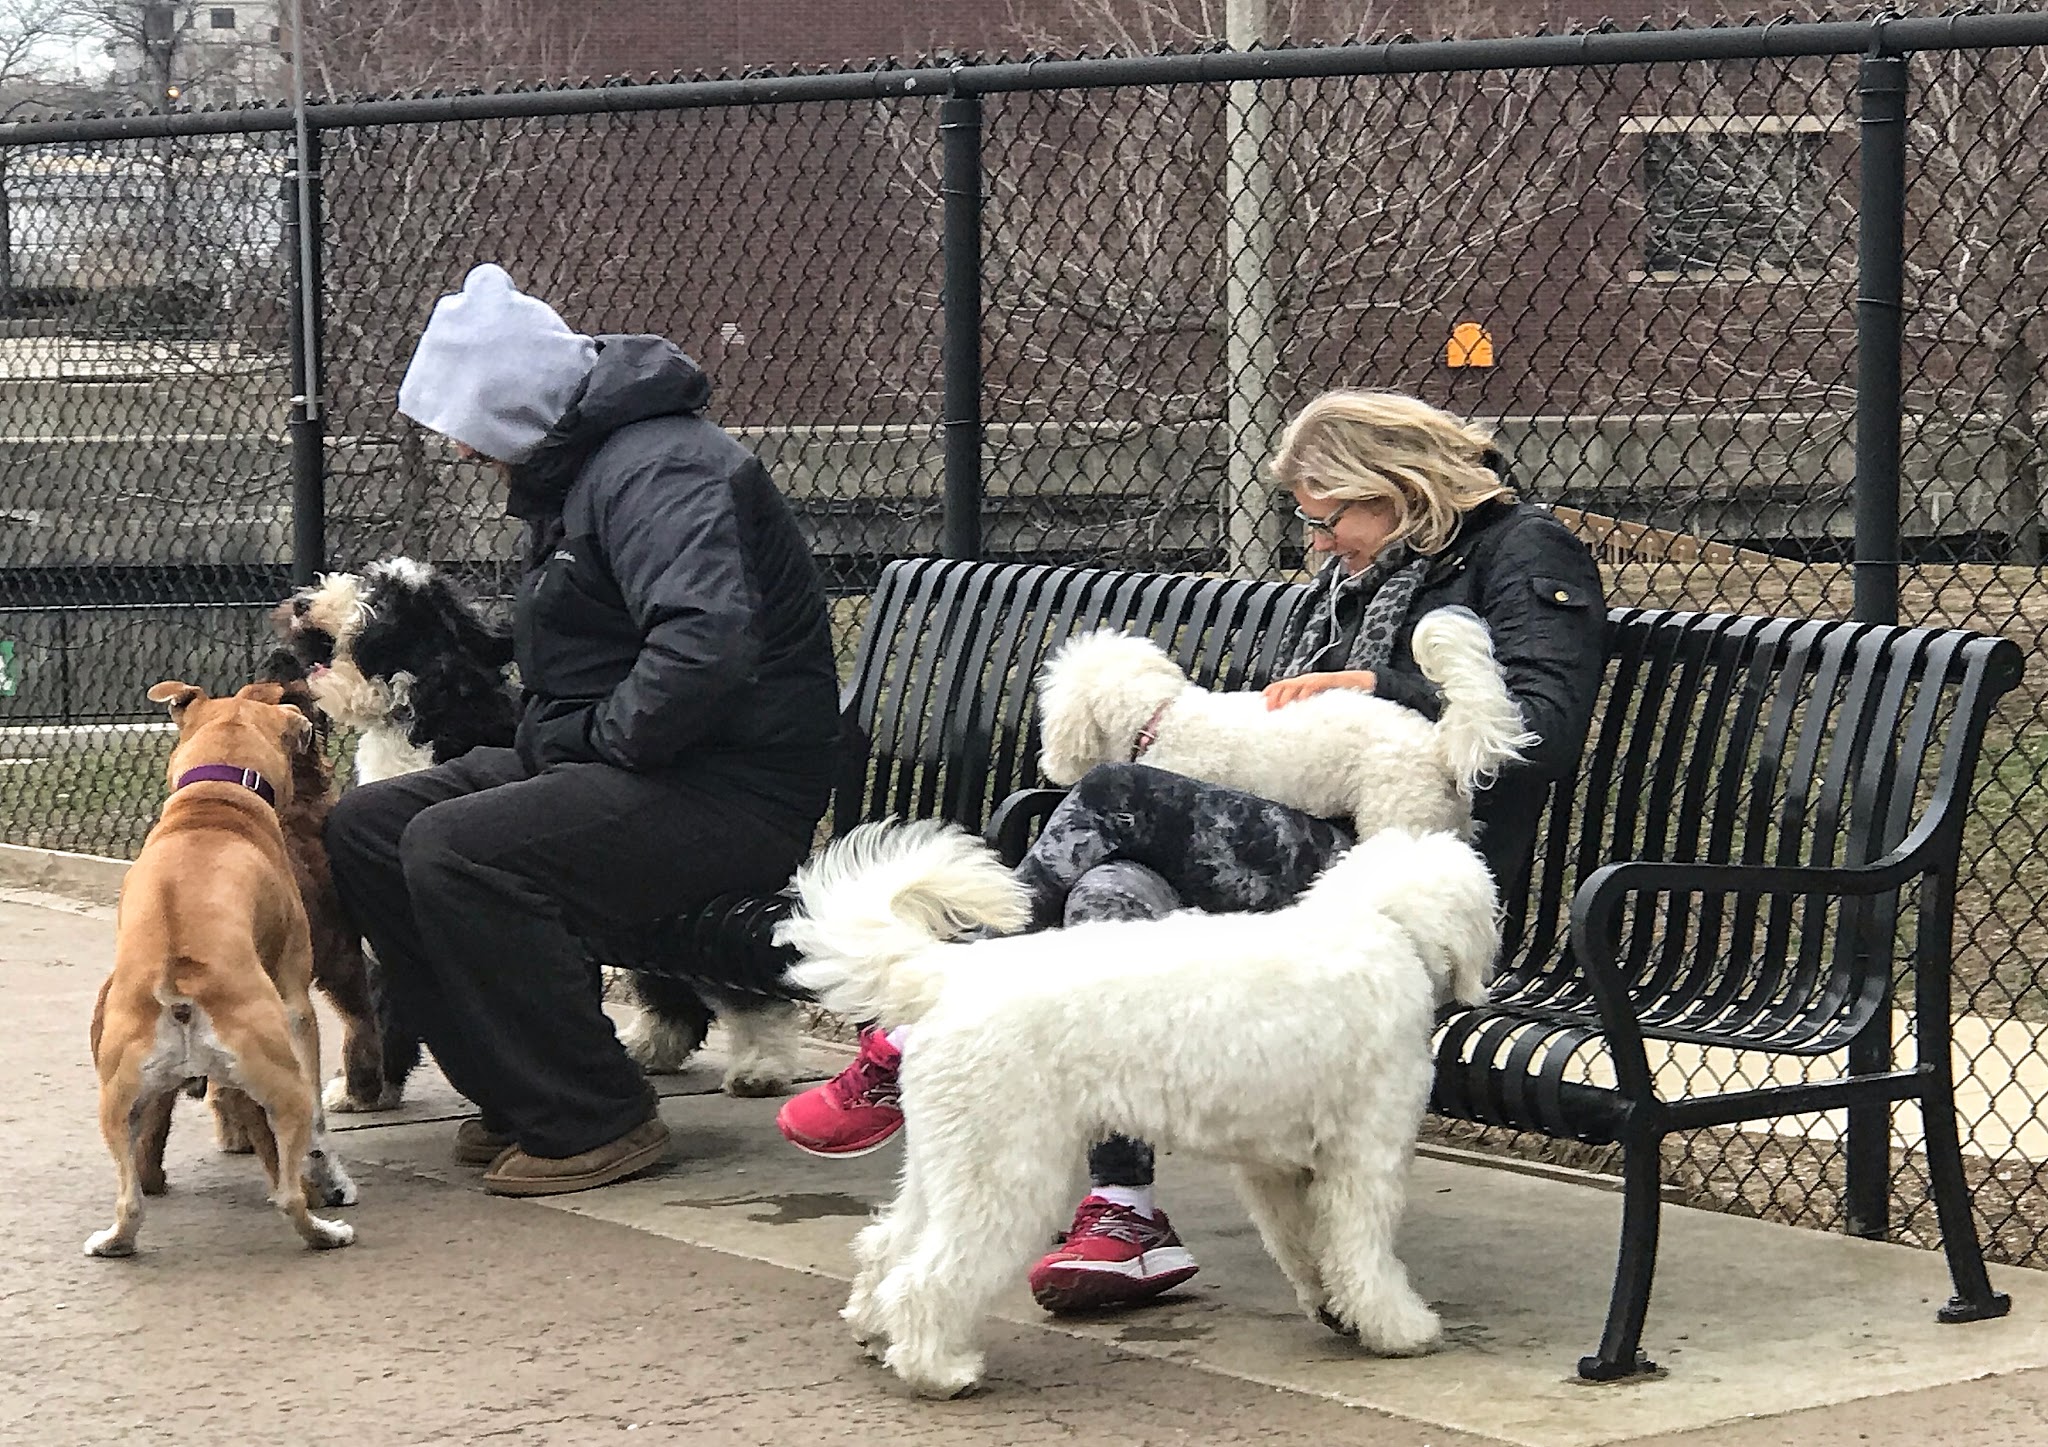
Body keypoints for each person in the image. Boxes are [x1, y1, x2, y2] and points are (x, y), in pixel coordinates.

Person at [775, 387, 1607, 1309]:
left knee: (1118, 793)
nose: (1319, 542)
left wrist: (1382, 682)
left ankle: (918, 1021)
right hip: (1313, 853)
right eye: (1308, 522)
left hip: (1411, 878)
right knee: (1111, 888)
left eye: (1327, 518)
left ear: (1395, 487)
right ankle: (1123, 1211)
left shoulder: (1523, 548)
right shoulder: (1364, 566)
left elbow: (1542, 733)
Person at [326, 263, 839, 1197]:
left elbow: (704, 646)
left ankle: (595, 1113)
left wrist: (596, 742)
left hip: (725, 790)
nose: (466, 454)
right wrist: (576, 743)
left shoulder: (663, 468)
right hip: (635, 760)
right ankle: (522, 1093)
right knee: (368, 828)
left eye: (469, 430)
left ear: (516, 407)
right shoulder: (593, 470)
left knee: (457, 848)